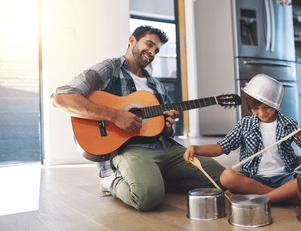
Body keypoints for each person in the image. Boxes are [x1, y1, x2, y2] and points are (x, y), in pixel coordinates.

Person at [51, 25, 226, 211]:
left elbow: (165, 131)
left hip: (166, 148)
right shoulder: (110, 68)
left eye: (156, 50)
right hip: (132, 150)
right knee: (147, 197)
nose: (152, 52)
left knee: (222, 180)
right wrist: (115, 115)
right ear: (132, 40)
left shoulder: (157, 85)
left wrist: (167, 125)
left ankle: (157, 179)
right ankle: (111, 183)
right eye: (149, 44)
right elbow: (61, 98)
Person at [183, 74, 301, 204]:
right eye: (256, 108)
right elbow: (221, 147)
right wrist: (196, 148)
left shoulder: (289, 123)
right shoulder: (244, 124)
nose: (262, 113)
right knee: (227, 177)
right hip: (254, 179)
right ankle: (281, 197)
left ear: (276, 104)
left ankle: (264, 198)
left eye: (267, 107)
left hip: (284, 178)